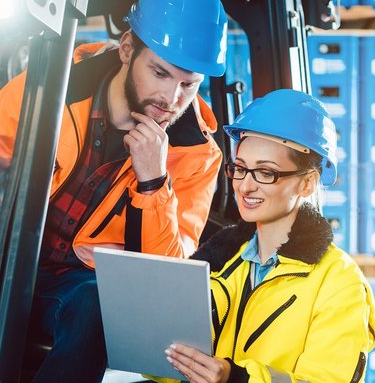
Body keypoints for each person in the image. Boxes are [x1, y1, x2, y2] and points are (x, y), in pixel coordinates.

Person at [0, 0, 228, 381]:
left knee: (97, 304)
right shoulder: (52, 84)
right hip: (7, 260)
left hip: (80, 287)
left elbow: (166, 276)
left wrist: (153, 182)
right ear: (128, 49)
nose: (171, 98)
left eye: (188, 84)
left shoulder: (197, 155)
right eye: (160, 73)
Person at [153, 89, 375, 383]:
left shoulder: (339, 283)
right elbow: (167, 367)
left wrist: (237, 378)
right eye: (241, 169)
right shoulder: (217, 262)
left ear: (307, 183)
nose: (245, 187)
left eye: (266, 173)